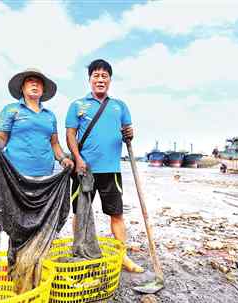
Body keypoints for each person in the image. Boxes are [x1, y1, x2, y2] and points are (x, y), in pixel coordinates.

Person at [66, 59, 144, 273]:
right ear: (89, 79)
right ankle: (79, 250)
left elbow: (128, 133)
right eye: (96, 76)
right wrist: (78, 159)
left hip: (112, 171)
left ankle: (122, 256)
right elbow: (70, 134)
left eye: (104, 76)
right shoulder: (77, 105)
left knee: (116, 214)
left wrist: (130, 135)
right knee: (81, 213)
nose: (100, 79)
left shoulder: (119, 106)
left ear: (109, 80)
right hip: (84, 171)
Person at [0, 68, 74, 250]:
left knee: (38, 218)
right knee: (11, 217)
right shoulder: (11, 110)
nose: (35, 84)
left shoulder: (49, 116)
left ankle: (34, 257)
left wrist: (64, 159)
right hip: (14, 177)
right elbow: (2, 138)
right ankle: (6, 263)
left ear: (43, 89)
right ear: (22, 87)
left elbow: (55, 144)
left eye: (39, 82)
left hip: (44, 178)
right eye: (30, 81)